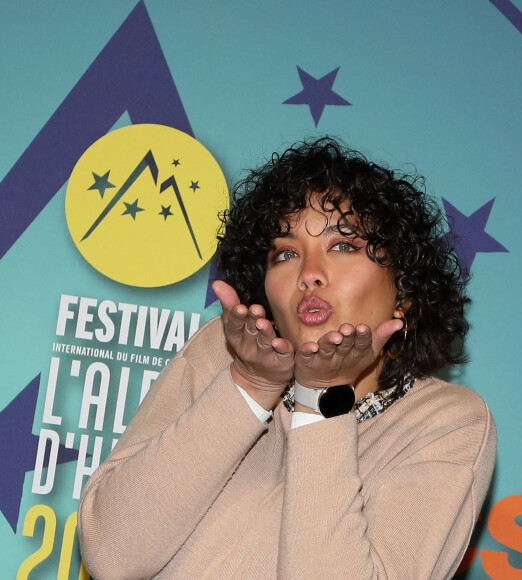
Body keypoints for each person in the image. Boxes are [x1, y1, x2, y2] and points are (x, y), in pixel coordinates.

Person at [78, 137, 496, 580]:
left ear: (406, 292)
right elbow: (112, 555)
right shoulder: (220, 353)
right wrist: (250, 386)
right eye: (286, 253)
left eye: (343, 246)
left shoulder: (446, 423)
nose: (308, 273)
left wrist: (322, 400)